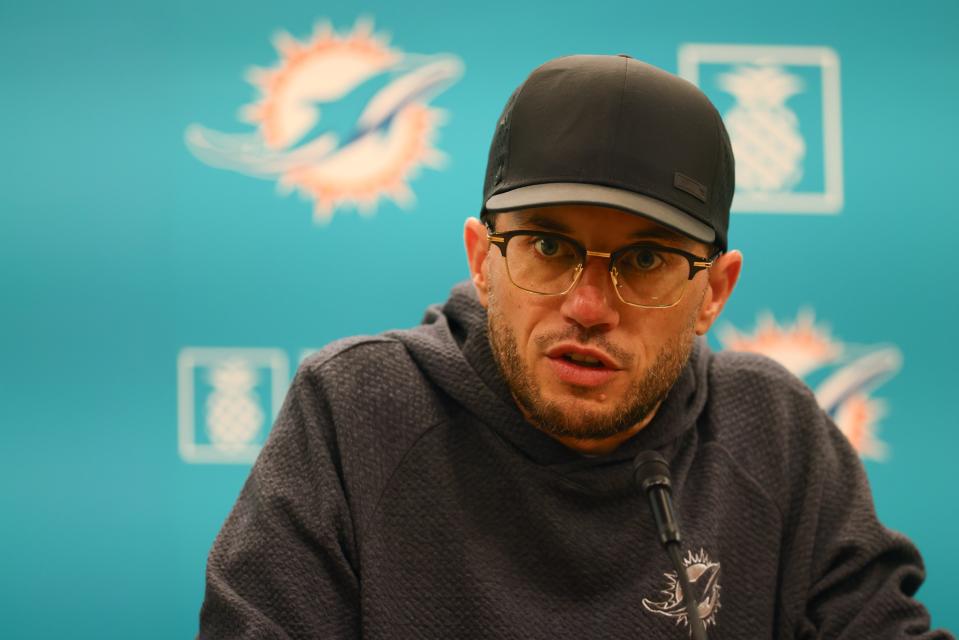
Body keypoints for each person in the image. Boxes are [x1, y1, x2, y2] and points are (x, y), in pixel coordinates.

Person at [199, 54, 952, 639]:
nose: (588, 308)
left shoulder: (774, 437)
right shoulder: (355, 413)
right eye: (549, 247)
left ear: (714, 294)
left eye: (646, 260)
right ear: (482, 260)